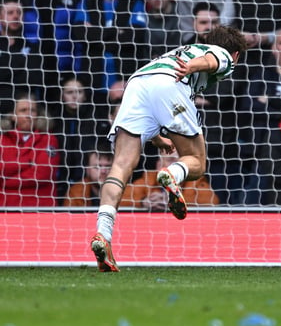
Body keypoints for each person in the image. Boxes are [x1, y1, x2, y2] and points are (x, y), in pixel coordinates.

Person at [89, 25, 247, 272]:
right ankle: (172, 174)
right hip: (173, 80)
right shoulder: (222, 54)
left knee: (120, 165)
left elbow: (153, 98)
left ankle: (103, 233)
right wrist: (192, 67)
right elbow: (212, 59)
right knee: (196, 162)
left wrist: (157, 139)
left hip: (138, 83)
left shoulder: (177, 51)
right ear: (236, 54)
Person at [0, 92, 61, 207]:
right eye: (23, 110)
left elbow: (41, 175)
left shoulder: (49, 139)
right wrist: (27, 163)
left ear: (38, 114)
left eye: (32, 110)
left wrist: (5, 182)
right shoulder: (2, 140)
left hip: (39, 208)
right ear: (13, 115)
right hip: (6, 208)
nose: (28, 115)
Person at [63, 137, 113, 207]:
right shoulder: (76, 194)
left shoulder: (126, 193)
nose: (103, 171)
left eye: (108, 166)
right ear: (87, 169)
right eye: (97, 166)